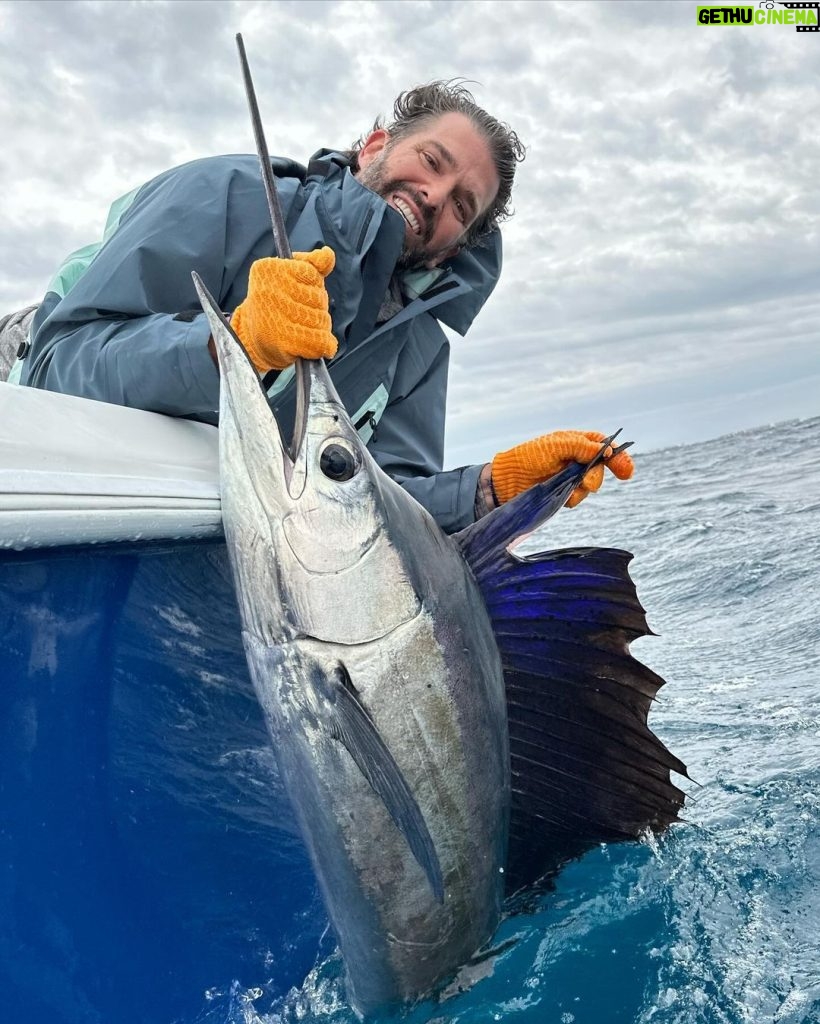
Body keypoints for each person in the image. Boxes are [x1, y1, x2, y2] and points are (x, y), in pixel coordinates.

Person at [14, 81, 632, 533]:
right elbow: (58, 366)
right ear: (373, 147)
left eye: (463, 206)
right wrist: (231, 345)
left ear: (454, 250)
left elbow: (382, 498)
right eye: (432, 161)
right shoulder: (229, 194)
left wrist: (492, 489)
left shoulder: (419, 349)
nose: (435, 194)